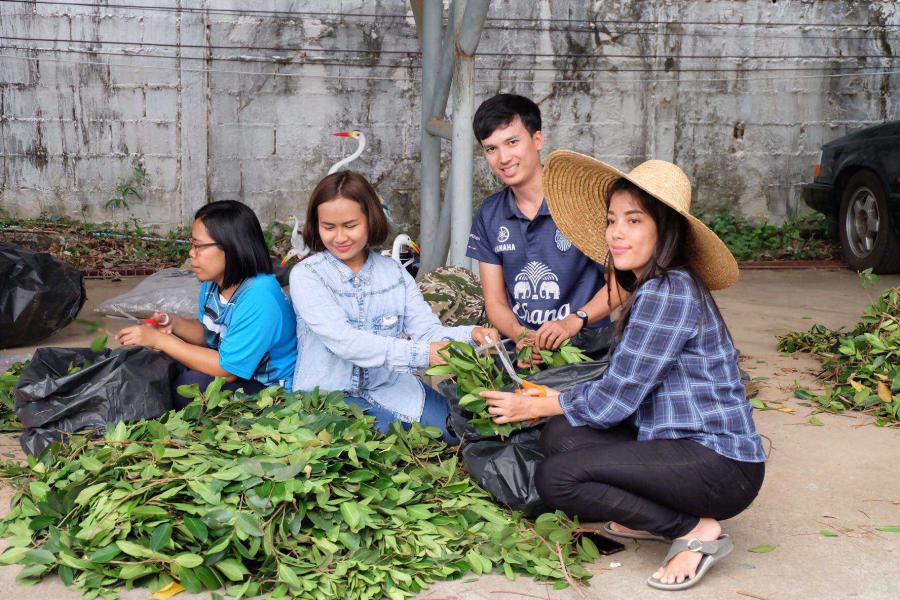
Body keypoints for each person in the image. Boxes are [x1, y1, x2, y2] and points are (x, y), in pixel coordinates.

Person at [480, 151, 766, 591]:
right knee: (561, 436)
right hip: (674, 441)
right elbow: (620, 390)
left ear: (664, 229)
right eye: (612, 220)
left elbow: (617, 398)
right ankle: (651, 516)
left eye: (633, 221)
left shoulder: (668, 291)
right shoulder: (653, 284)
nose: (616, 233)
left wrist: (538, 404)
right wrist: (554, 406)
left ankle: (692, 529)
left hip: (720, 463)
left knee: (557, 478)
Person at [290, 171, 497, 442]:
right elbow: (345, 342)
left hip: (392, 387)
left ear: (370, 220)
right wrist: (424, 354)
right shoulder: (307, 275)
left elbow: (427, 332)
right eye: (329, 227)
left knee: (460, 432)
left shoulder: (394, 274)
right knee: (387, 438)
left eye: (350, 225)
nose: (339, 237)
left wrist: (471, 335)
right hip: (328, 397)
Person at [466, 93, 621, 361]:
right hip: (523, 351)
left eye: (512, 142)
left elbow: (621, 283)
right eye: (491, 149)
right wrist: (520, 335)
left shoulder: (580, 204)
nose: (503, 158)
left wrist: (574, 321)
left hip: (585, 350)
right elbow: (495, 302)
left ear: (538, 140)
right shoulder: (489, 214)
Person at [117, 200, 297, 408]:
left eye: (198, 246)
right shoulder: (214, 284)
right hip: (236, 370)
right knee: (160, 362)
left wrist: (160, 341)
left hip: (270, 390)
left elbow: (226, 371)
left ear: (231, 247)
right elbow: (210, 336)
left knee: (191, 385)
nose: (191, 253)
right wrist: (174, 324)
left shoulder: (259, 297)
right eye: (192, 244)